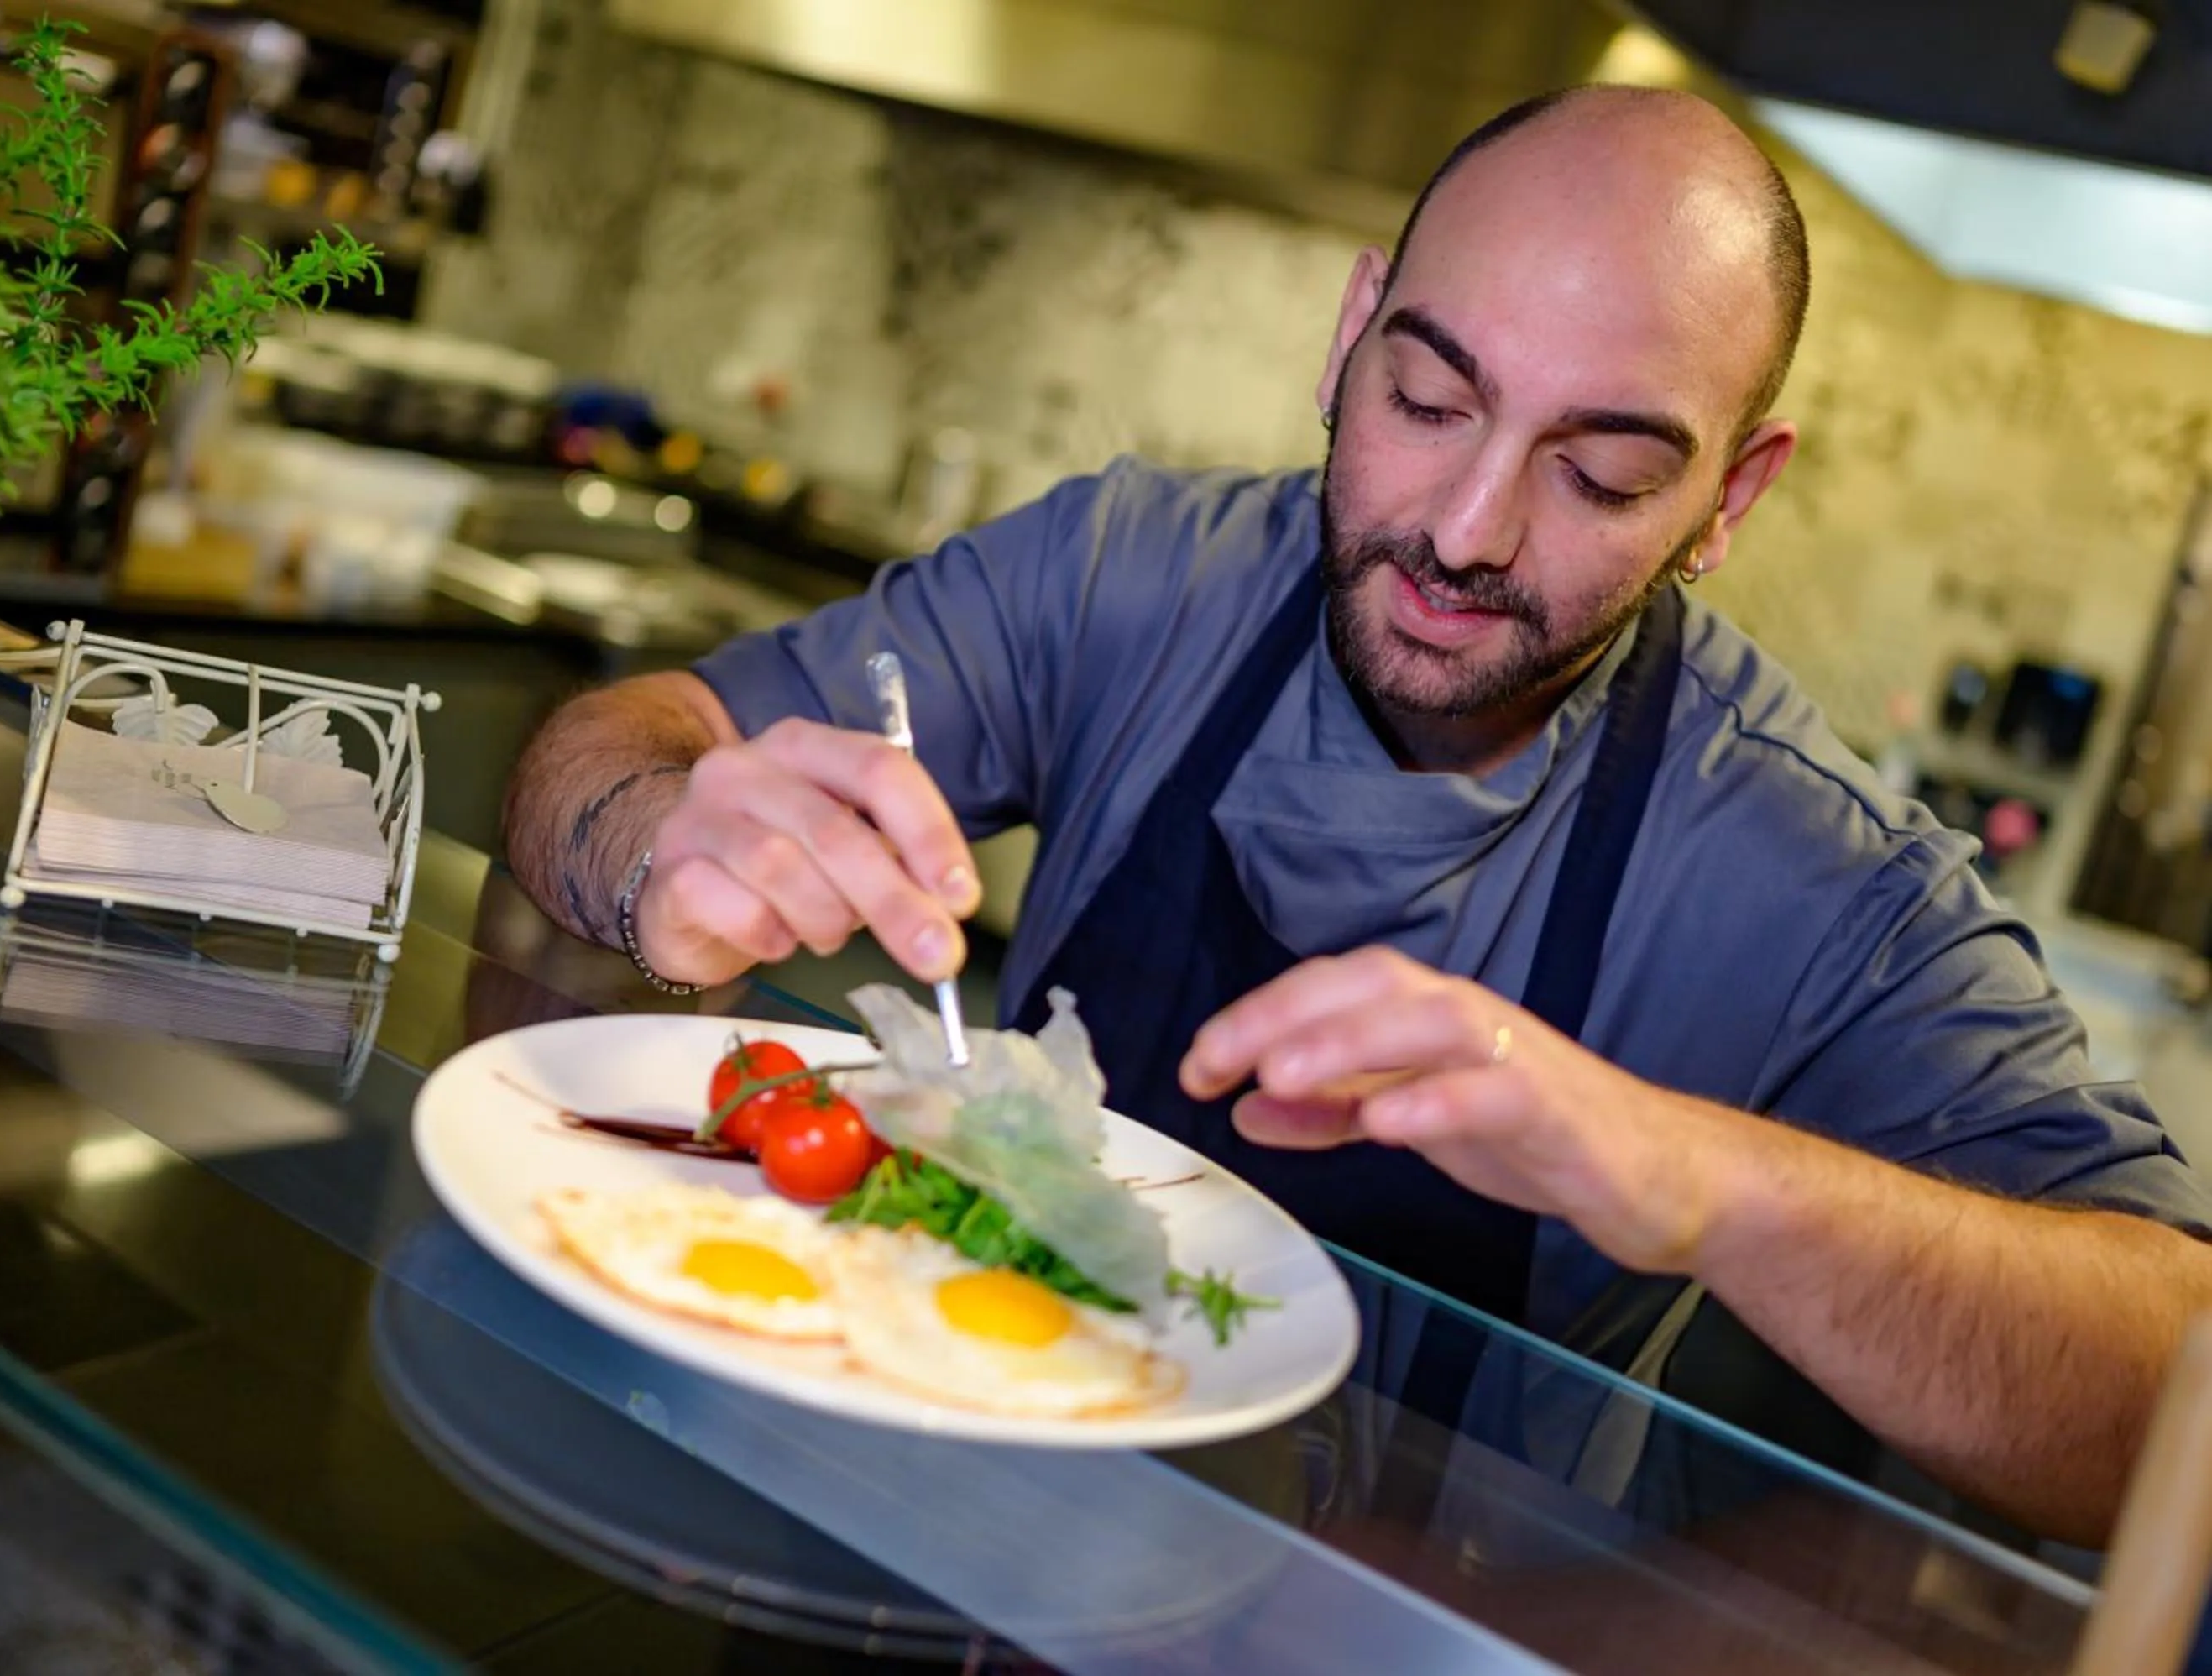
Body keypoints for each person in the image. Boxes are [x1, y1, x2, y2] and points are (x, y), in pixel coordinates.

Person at [502, 85, 2212, 1546]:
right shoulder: (1126, 579)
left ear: (1726, 498)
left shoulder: (1811, 881)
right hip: (921, 1519)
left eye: (1602, 473)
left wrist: (1705, 1180)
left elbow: (2173, 1395)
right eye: (1429, 401)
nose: (1468, 529)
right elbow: (609, 743)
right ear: (1350, 331)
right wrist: (661, 846)